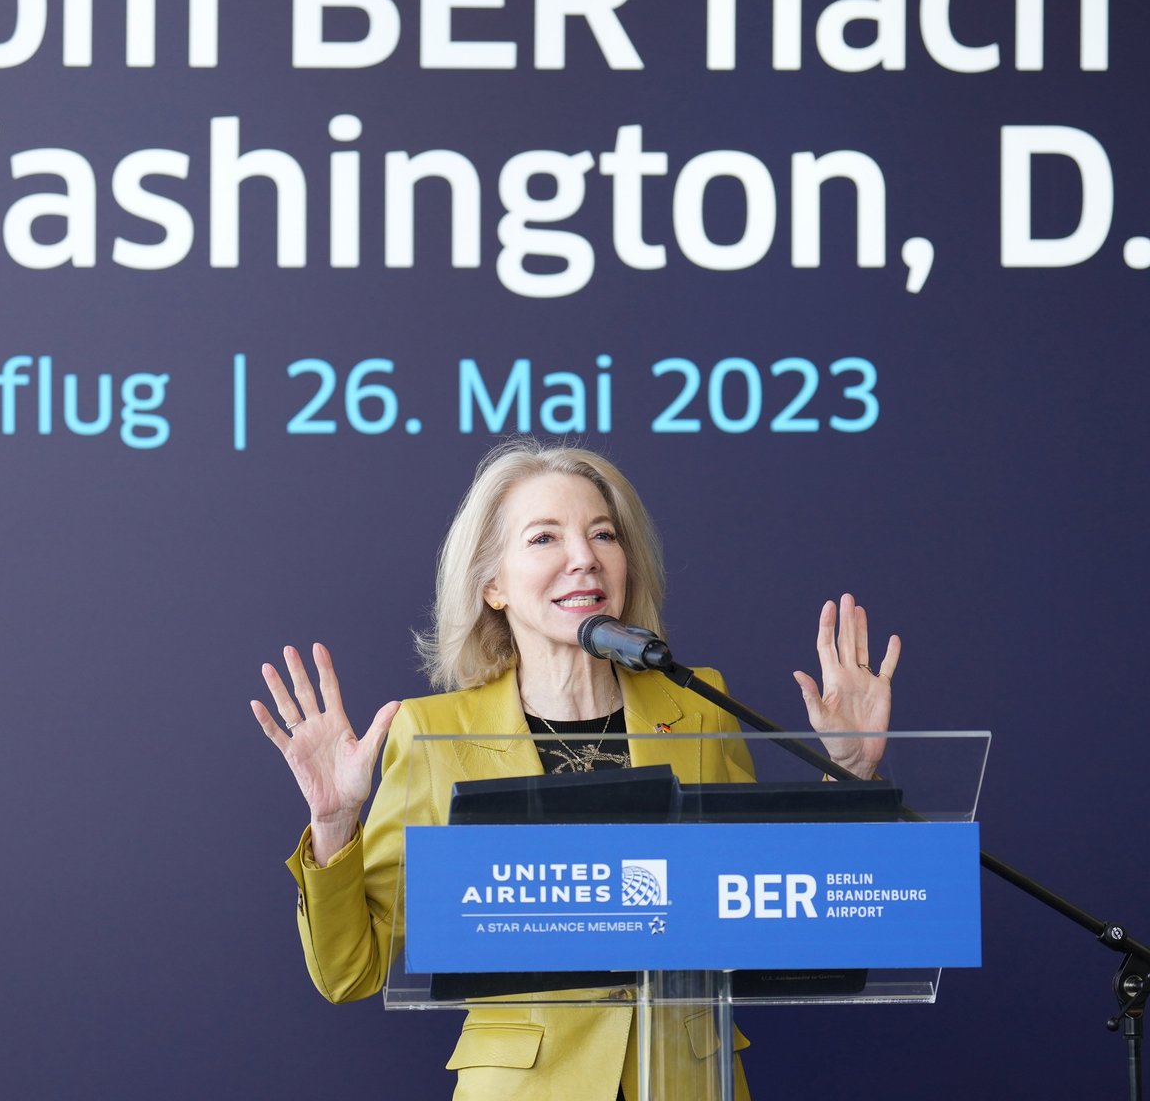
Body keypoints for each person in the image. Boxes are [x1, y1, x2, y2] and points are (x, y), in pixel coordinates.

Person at [251, 439, 901, 1101]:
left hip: (685, 1081)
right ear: (493, 583)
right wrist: (334, 824)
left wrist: (846, 772)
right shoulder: (434, 735)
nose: (584, 558)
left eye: (603, 535)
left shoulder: (697, 705)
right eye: (545, 538)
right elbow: (348, 972)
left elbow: (780, 911)